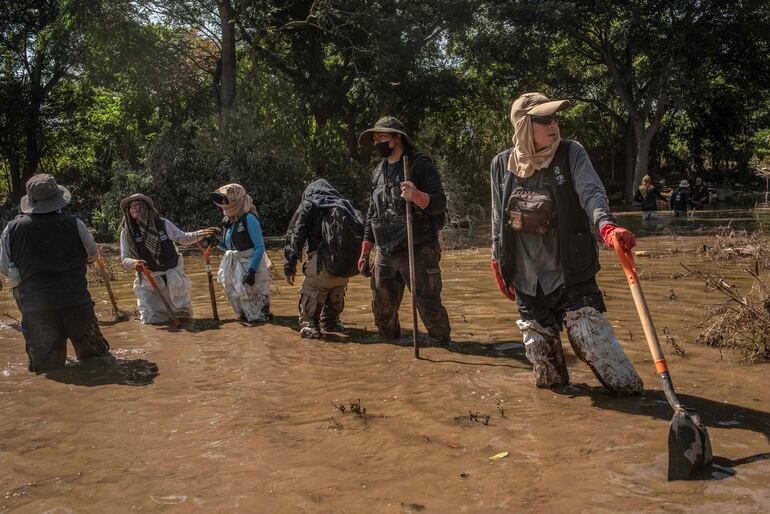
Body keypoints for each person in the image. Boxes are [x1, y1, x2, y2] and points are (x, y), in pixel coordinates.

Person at [489, 92, 643, 394]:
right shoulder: (500, 165)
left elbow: (592, 195)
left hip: (570, 275)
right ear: (523, 126)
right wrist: (497, 263)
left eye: (555, 118)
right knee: (549, 381)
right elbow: (497, 219)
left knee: (595, 345)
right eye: (544, 120)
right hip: (526, 281)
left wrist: (608, 227)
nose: (554, 125)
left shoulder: (572, 153)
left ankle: (636, 396)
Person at [0, 174, 110, 372]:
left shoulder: (12, 229)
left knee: (46, 370)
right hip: (77, 303)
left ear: (31, 201)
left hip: (37, 311)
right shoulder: (75, 223)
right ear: (58, 199)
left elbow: (5, 268)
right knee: (97, 363)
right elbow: (92, 255)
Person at [357, 116, 451, 344]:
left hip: (417, 248)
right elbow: (372, 212)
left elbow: (440, 202)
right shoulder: (377, 172)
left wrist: (418, 196)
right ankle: (393, 353)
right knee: (382, 312)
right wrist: (365, 250)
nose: (376, 142)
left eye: (381, 137)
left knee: (428, 307)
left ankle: (443, 347)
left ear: (397, 138)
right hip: (385, 251)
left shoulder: (419, 164)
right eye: (374, 138)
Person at [284, 179, 365, 339]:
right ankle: (332, 324)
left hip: (320, 267)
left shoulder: (309, 205)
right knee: (331, 319)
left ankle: (311, 327)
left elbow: (295, 235)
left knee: (310, 318)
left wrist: (290, 265)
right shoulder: (345, 205)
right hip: (344, 270)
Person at [119, 194, 214, 324]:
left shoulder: (163, 224)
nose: (134, 209)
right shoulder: (127, 233)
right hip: (149, 281)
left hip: (173, 277)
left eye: (137, 205)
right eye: (130, 207)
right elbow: (124, 258)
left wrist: (202, 233)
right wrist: (134, 263)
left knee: (185, 318)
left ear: (145, 208)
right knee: (151, 322)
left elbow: (183, 238)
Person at [211, 183, 272, 322]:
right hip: (235, 266)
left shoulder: (249, 218)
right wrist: (216, 243)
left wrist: (251, 271)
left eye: (227, 200)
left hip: (251, 266)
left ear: (237, 199)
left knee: (258, 316)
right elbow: (229, 248)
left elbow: (260, 247)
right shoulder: (228, 220)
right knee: (241, 314)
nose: (224, 204)